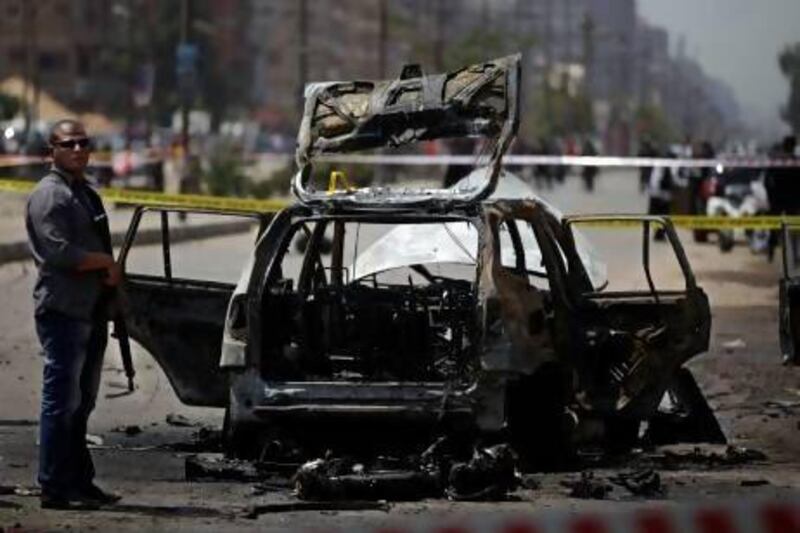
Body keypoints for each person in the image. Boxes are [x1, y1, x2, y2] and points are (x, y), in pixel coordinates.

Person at [25, 119, 122, 509]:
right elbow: (58, 251)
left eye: (84, 143)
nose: (79, 150)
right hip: (63, 310)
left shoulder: (82, 192)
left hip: (89, 309)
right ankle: (54, 486)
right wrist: (103, 261)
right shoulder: (50, 195)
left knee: (81, 403)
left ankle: (79, 481)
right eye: (69, 144)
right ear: (52, 151)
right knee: (60, 402)